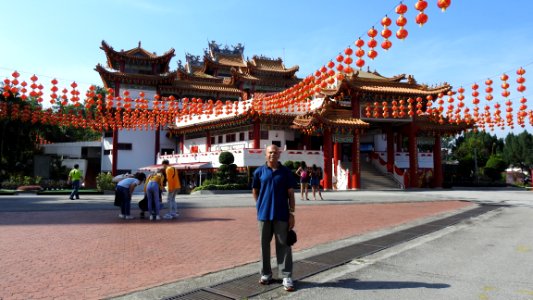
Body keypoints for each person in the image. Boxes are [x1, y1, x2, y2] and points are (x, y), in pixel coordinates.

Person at [252, 144, 296, 292]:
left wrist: (292, 213)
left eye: (275, 152)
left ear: (279, 155)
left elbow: (290, 194)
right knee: (264, 245)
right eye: (270, 152)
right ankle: (266, 273)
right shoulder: (259, 172)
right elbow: (255, 191)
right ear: (266, 155)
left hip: (282, 214)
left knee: (284, 245)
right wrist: (259, 206)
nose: (273, 155)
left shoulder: (286, 172)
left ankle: (286, 275)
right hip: (264, 215)